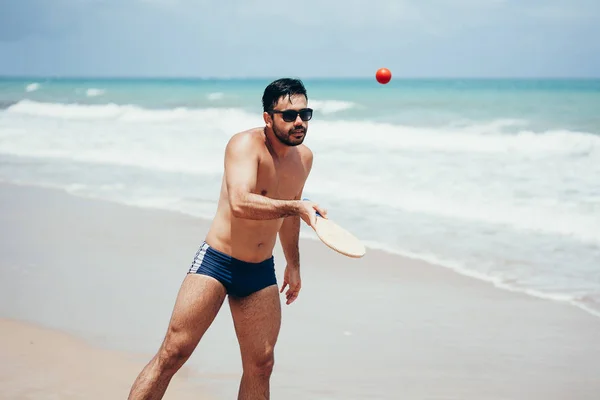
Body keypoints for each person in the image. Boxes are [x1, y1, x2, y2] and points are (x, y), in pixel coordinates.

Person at [127, 78, 327, 400]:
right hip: (218, 263)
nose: (300, 122)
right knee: (173, 353)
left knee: (261, 365)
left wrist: (293, 263)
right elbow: (240, 201)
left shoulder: (303, 158)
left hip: (261, 272)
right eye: (289, 115)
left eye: (306, 113)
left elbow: (291, 216)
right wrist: (295, 207)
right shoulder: (244, 145)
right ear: (268, 117)